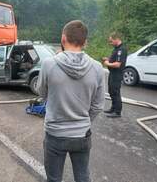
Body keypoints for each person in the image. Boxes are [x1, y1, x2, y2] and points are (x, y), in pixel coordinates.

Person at [37, 20, 106, 182]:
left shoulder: (48, 64)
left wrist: (56, 102)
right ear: (85, 42)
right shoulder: (97, 68)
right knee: (83, 177)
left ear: (63, 39)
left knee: (53, 178)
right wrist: (84, 121)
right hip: (82, 134)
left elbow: (42, 92)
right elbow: (98, 106)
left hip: (55, 133)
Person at [103, 31, 127, 118]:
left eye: (111, 41)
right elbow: (114, 60)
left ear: (116, 39)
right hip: (112, 73)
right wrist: (108, 59)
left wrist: (107, 63)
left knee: (116, 92)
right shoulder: (116, 49)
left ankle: (117, 112)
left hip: (117, 74)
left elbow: (118, 64)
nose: (110, 43)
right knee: (111, 91)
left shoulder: (122, 49)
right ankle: (113, 108)